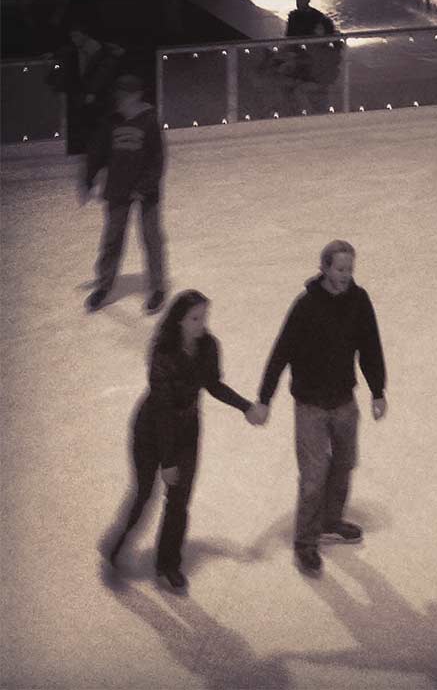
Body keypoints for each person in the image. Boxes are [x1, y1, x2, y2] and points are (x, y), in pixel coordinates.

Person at [248, 241, 387, 576]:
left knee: (343, 464)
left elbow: (370, 347)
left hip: (344, 402)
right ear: (324, 268)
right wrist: (264, 399)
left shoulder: (358, 300)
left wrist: (377, 391)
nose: (346, 276)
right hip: (309, 406)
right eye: (340, 269)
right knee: (313, 478)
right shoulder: (306, 306)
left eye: (350, 269)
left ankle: (330, 520)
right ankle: (305, 542)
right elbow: (280, 354)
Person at [107, 290, 255, 591]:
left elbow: (213, 384)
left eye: (204, 317)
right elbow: (161, 408)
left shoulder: (209, 346)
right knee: (145, 493)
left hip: (187, 429)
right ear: (179, 321)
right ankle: (118, 543)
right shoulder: (162, 351)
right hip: (151, 432)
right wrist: (168, 460)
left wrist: (245, 407)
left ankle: (168, 563)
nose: (203, 324)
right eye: (196, 318)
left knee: (179, 501)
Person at [83, 74, 167, 315]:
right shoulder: (111, 121)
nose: (119, 100)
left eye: (124, 95)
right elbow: (98, 151)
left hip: (146, 193)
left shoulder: (150, 121)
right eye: (117, 95)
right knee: (111, 239)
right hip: (118, 189)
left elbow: (157, 159)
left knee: (152, 239)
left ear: (136, 95)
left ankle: (157, 288)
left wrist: (144, 187)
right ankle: (103, 285)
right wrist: (89, 178)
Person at [47, 21, 124, 154]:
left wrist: (92, 92)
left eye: (76, 36)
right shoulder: (73, 50)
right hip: (84, 97)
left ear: (85, 35)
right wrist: (52, 57)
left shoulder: (102, 52)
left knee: (99, 125)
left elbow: (103, 73)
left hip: (101, 98)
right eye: (72, 36)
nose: (73, 39)